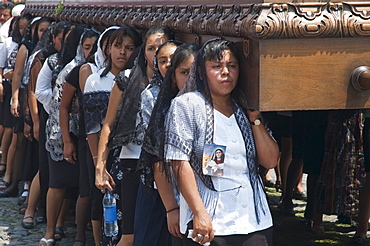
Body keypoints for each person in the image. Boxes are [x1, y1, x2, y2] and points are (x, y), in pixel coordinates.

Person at [163, 39, 279, 246]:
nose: (225, 72)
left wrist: (255, 119)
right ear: (201, 72)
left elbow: (270, 161)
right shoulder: (187, 105)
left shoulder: (244, 106)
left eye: (231, 66)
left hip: (253, 218)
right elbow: (179, 162)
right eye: (216, 67)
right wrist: (199, 213)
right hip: (211, 220)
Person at [95, 26, 174, 246]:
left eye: (161, 47)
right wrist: (100, 166)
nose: (156, 53)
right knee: (129, 235)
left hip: (164, 166)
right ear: (144, 51)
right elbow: (109, 124)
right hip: (132, 163)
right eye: (151, 48)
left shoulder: (175, 82)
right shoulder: (127, 79)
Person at [74, 26, 141, 246]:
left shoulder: (138, 80)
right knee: (107, 210)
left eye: (129, 48)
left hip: (133, 158)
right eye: (118, 46)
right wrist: (98, 164)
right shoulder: (96, 80)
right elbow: (93, 128)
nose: (123, 52)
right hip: (105, 155)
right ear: (108, 49)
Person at [137, 43, 200, 246]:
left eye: (196, 72)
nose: (191, 79)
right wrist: (172, 208)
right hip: (170, 196)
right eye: (184, 72)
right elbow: (158, 161)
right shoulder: (167, 107)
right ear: (174, 76)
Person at [38, 24, 88, 246]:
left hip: (85, 133)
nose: (91, 52)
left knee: (79, 185)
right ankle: (49, 231)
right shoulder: (72, 69)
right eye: (87, 47)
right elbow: (60, 107)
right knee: (58, 183)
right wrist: (67, 141)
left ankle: (68, 229)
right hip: (62, 131)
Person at [133, 40, 181, 246]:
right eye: (162, 61)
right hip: (158, 181)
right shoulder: (151, 96)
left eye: (173, 60)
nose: (168, 65)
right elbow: (155, 148)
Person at [21, 21, 67, 230]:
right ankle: (30, 209)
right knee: (44, 168)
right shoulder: (44, 58)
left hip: (64, 121)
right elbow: (33, 91)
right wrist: (36, 121)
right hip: (47, 117)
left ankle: (57, 221)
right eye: (61, 39)